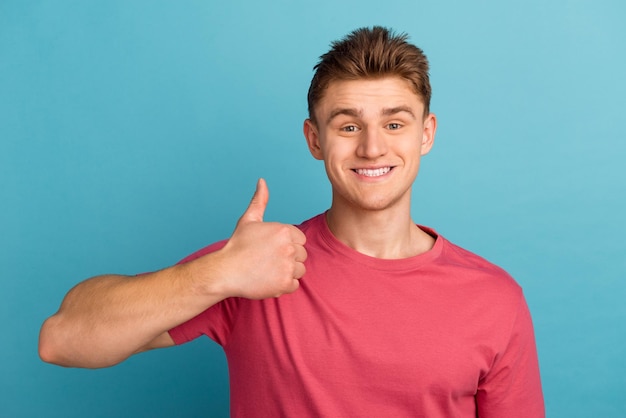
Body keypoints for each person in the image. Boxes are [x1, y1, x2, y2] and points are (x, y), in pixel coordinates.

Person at [39, 26, 544, 417]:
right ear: (314, 139)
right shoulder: (254, 264)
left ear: (426, 134)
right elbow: (63, 339)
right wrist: (216, 275)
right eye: (348, 125)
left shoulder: (494, 298)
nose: (372, 147)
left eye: (394, 123)